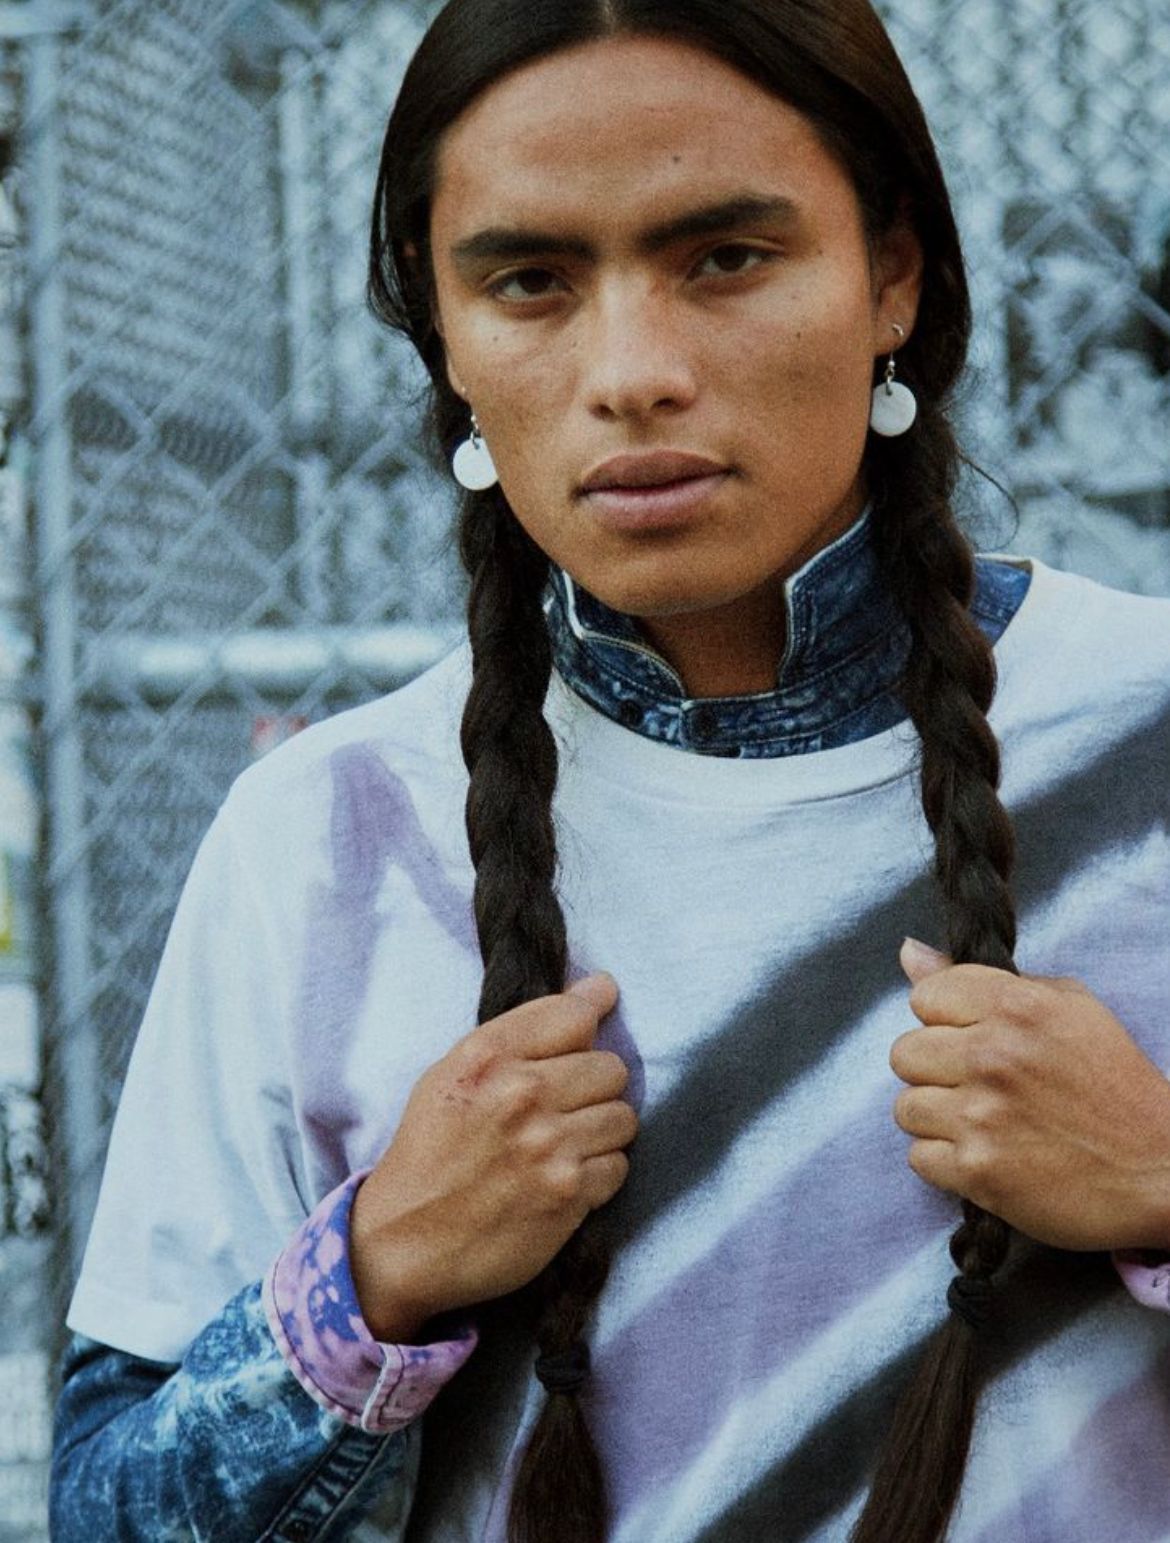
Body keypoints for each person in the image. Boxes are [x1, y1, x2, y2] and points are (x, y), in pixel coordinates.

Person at [49, 1, 1170, 1539]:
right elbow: (106, 1507)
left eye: (724, 258)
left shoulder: (1144, 730)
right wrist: (371, 1276)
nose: (632, 371)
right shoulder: (326, 836)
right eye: (528, 281)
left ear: (889, 276)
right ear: (444, 338)